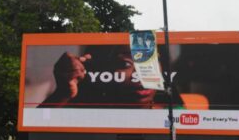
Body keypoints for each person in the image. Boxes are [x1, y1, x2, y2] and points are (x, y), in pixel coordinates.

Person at [40, 45, 182, 109]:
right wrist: (63, 93)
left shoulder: (175, 113)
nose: (138, 75)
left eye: (148, 63)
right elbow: (35, 126)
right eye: (126, 64)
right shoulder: (86, 112)